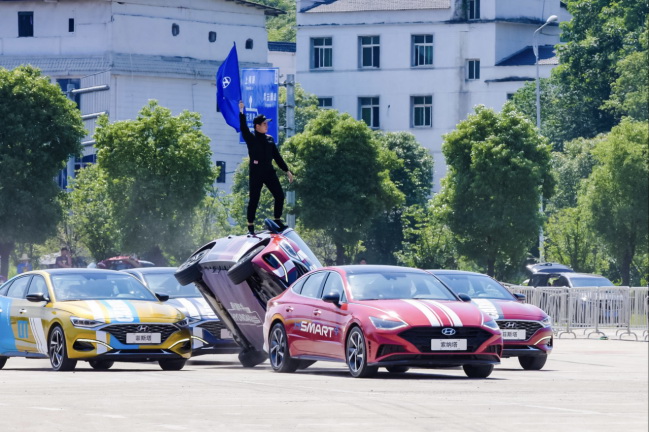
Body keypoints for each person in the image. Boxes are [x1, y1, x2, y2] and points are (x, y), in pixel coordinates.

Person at [239, 100, 294, 235]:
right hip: (256, 172)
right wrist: (241, 111)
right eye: (264, 124)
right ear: (257, 126)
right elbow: (244, 127)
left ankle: (277, 220)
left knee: (279, 195)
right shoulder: (251, 138)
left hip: (269, 172)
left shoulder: (269, 139)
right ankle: (250, 225)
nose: (266, 125)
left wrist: (287, 170)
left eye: (267, 123)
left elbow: (277, 156)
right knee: (254, 199)